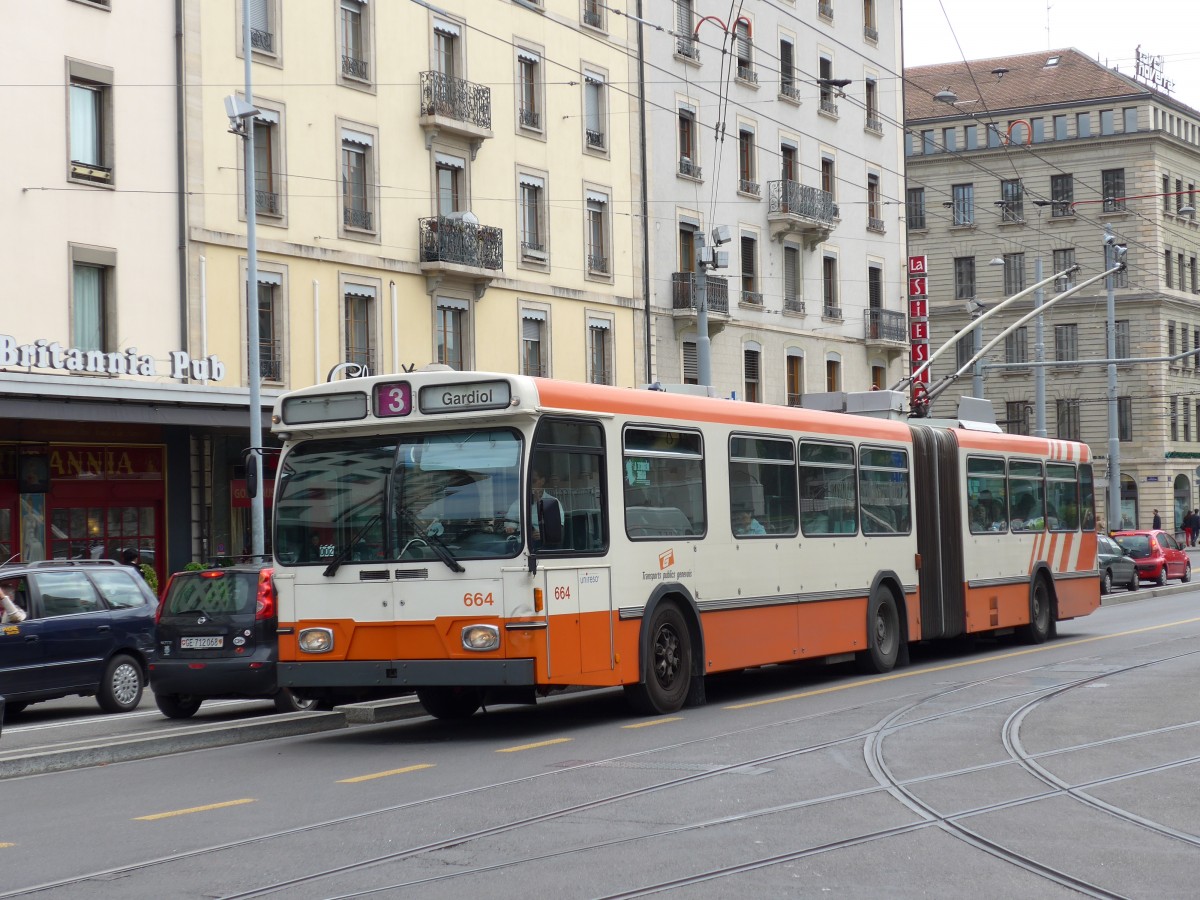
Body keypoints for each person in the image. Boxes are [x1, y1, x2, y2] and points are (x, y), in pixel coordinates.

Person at [506, 466, 563, 545]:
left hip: (541, 544)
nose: (530, 485)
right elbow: (510, 525)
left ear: (542, 481)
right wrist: (510, 529)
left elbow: (557, 529)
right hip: (519, 544)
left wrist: (543, 534)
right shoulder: (518, 504)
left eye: (533, 481)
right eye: (527, 482)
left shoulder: (552, 502)